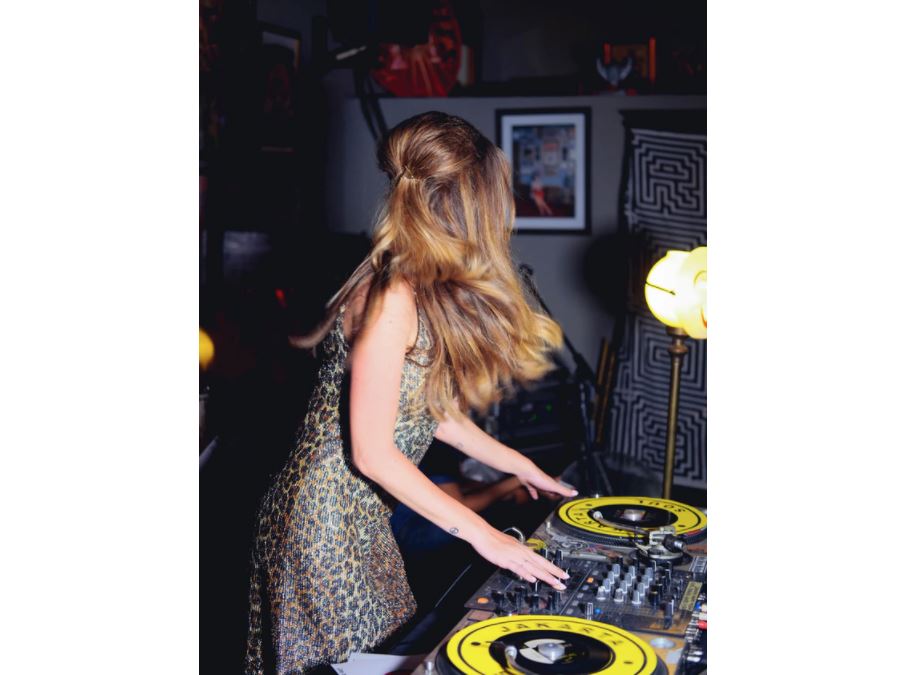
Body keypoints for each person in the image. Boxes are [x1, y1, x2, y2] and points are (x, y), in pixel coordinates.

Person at [244, 111, 577, 674]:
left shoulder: (411, 281)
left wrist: (522, 465)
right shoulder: (392, 294)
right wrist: (487, 538)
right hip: (320, 525)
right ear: (471, 201)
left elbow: (427, 412)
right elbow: (372, 452)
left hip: (353, 517)